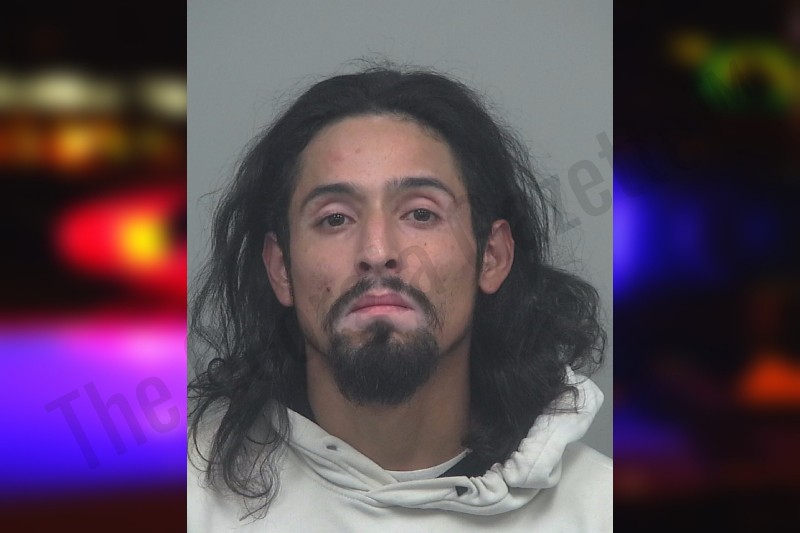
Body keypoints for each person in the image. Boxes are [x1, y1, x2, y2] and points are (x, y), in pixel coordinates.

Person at [187, 64, 611, 532]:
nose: (377, 252)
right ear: (281, 268)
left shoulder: (599, 511)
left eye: (421, 214)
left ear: (491, 257)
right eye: (335, 219)